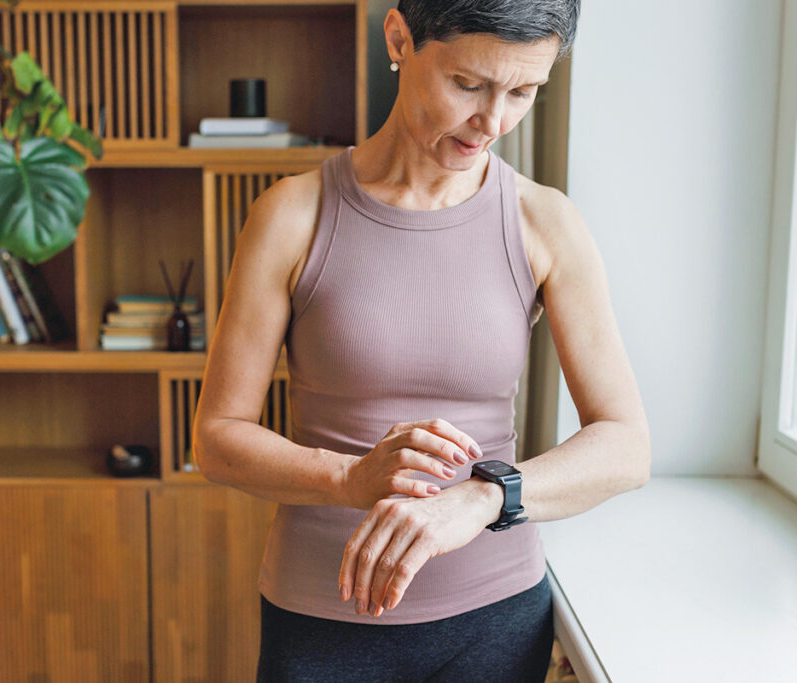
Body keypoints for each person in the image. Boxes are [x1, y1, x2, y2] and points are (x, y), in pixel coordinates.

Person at [193, 0, 650, 680]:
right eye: (469, 84)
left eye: (523, 92)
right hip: (322, 623)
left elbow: (625, 444)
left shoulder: (544, 221)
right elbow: (218, 437)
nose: (492, 123)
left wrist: (486, 496)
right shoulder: (292, 214)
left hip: (497, 619)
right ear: (400, 37)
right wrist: (350, 478)